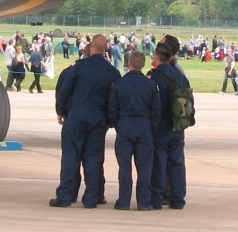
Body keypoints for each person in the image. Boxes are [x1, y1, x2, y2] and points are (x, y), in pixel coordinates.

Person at [50, 34, 121, 209]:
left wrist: (61, 111)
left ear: (91, 47)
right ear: (105, 49)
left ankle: (65, 196)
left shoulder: (77, 67)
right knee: (94, 158)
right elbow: (114, 100)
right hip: (98, 119)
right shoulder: (113, 72)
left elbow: (65, 90)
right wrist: (110, 120)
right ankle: (92, 197)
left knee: (71, 157)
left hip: (76, 117)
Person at [108, 51, 160, 211]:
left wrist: (116, 124)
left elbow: (112, 109)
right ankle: (144, 202)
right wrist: (151, 127)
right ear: (143, 65)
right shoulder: (151, 85)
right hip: (144, 127)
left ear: (129, 63)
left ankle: (124, 201)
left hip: (124, 127)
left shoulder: (119, 84)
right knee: (144, 168)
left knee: (124, 167)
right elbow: (156, 111)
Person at [148, 42, 189, 210]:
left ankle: (157, 199)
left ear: (157, 57)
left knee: (159, 163)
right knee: (177, 163)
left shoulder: (155, 77)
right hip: (177, 125)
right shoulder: (181, 76)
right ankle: (178, 199)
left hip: (161, 126)